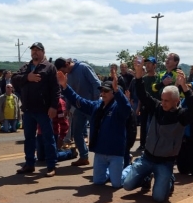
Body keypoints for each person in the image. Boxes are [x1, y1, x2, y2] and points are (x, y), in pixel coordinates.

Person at [122, 56, 193, 202]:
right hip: (147, 158)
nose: (163, 103)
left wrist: (186, 89)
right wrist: (138, 76)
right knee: (127, 185)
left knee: (158, 197)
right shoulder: (157, 107)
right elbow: (143, 96)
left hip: (165, 162)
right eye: (162, 99)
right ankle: (146, 176)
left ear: (176, 101)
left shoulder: (181, 115)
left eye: (167, 101)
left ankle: (169, 179)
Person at [60, 69, 130, 188]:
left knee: (117, 184)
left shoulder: (119, 108)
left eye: (106, 91)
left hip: (115, 153)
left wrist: (118, 91)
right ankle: (111, 172)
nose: (102, 93)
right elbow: (79, 101)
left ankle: (130, 167)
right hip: (100, 152)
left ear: (113, 92)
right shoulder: (96, 106)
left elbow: (126, 108)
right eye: (101, 90)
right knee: (98, 181)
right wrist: (65, 87)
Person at [12, 42, 60, 177]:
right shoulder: (26, 67)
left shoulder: (50, 68)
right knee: (29, 139)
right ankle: (29, 164)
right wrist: (28, 77)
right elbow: (15, 79)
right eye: (33, 50)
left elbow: (56, 89)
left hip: (44, 110)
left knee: (48, 138)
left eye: (37, 50)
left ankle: (51, 166)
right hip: (28, 110)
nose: (35, 53)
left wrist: (53, 106)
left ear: (43, 52)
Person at [55, 57, 101, 166]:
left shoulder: (83, 67)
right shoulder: (68, 75)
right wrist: (67, 107)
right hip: (79, 107)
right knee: (76, 132)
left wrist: (95, 104)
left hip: (91, 106)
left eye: (63, 69)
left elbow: (97, 84)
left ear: (67, 64)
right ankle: (84, 157)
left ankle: (102, 159)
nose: (63, 73)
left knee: (97, 133)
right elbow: (69, 92)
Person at [136, 57, 158, 151]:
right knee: (143, 125)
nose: (147, 65)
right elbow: (142, 95)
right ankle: (142, 144)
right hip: (145, 106)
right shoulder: (144, 78)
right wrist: (138, 107)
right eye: (146, 63)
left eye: (150, 63)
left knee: (153, 126)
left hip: (155, 106)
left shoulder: (158, 78)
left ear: (154, 65)